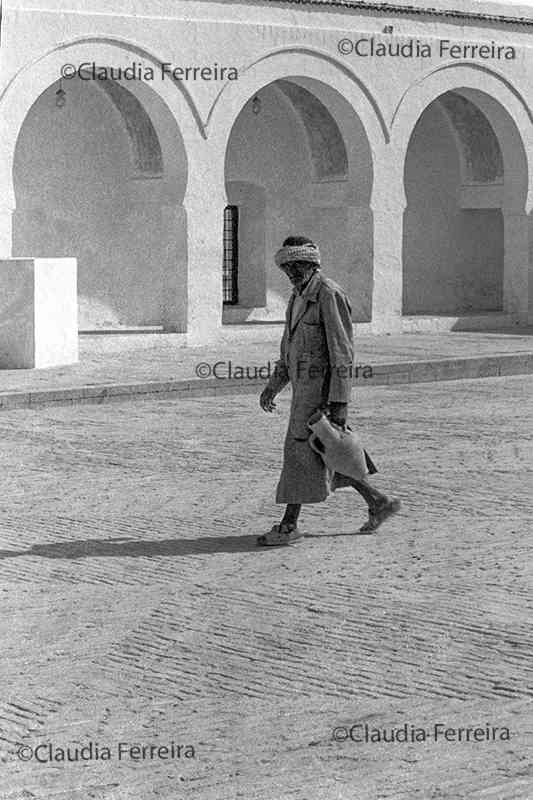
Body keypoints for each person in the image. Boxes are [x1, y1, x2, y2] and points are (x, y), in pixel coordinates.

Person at [257, 236, 400, 547]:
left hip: (321, 397)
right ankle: (378, 501)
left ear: (311, 264)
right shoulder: (297, 297)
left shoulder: (328, 294)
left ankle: (289, 525)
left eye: (296, 267)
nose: (291, 273)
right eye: (287, 268)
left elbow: (342, 352)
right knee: (328, 453)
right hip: (303, 394)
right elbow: (288, 350)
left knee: (300, 455)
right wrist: (273, 386)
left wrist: (340, 403)